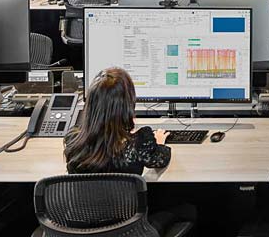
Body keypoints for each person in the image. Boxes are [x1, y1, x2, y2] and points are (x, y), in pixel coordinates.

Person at [63, 68, 196, 232]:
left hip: (82, 230)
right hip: (128, 231)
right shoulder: (139, 141)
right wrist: (159, 142)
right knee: (187, 209)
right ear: (128, 104)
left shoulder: (72, 139)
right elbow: (160, 159)